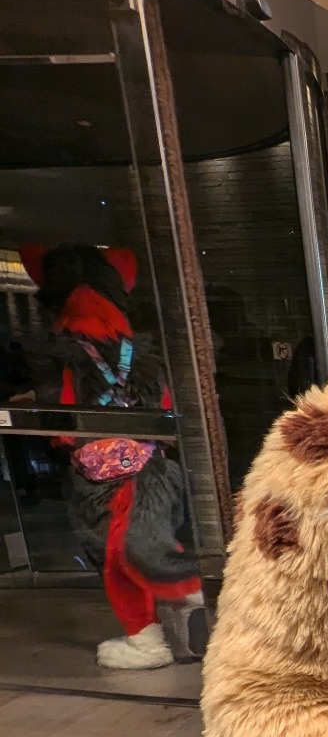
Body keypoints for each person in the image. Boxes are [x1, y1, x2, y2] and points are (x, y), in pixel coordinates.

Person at [21, 242, 204, 668]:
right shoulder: (140, 354)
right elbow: (162, 409)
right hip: (152, 469)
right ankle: (186, 604)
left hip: (100, 482)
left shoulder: (63, 355)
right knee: (148, 543)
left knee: (122, 557)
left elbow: (62, 422)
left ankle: (157, 629)